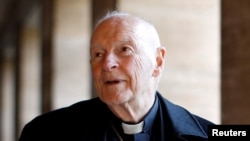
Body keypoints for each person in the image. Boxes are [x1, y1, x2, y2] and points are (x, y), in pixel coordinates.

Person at [18, 11, 214, 141]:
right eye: (98, 54)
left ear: (158, 61)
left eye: (125, 49)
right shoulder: (43, 133)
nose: (107, 64)